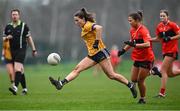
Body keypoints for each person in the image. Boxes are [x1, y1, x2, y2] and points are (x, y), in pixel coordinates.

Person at [49, 8, 137, 99]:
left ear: (83, 19)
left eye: (77, 20)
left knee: (112, 75)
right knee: (77, 69)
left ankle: (130, 85)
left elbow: (99, 28)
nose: (76, 23)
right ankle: (60, 83)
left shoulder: (87, 25)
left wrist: (97, 42)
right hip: (92, 55)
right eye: (75, 21)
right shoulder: (84, 27)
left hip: (100, 52)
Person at [118, 11, 158, 104]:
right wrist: (123, 51)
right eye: (128, 21)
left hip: (147, 58)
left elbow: (147, 44)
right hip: (137, 58)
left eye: (130, 21)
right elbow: (131, 42)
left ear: (137, 20)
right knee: (133, 79)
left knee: (140, 81)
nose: (129, 23)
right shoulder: (132, 30)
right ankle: (153, 71)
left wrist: (135, 44)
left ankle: (142, 99)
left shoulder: (144, 30)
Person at [3, 9, 37, 95]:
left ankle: (15, 87)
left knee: (17, 68)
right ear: (11, 16)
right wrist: (7, 38)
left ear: (19, 15)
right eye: (13, 14)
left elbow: (29, 38)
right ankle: (25, 89)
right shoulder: (8, 26)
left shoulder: (23, 26)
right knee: (20, 70)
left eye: (16, 14)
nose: (14, 16)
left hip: (21, 50)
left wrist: (34, 49)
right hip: (12, 51)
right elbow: (3, 38)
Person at [151, 9, 180, 98]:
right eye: (161, 16)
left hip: (172, 51)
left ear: (167, 17)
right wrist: (147, 40)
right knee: (170, 73)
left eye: (164, 16)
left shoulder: (172, 25)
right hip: (165, 51)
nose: (162, 17)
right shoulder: (159, 26)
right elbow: (158, 39)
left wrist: (170, 38)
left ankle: (162, 93)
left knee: (163, 70)